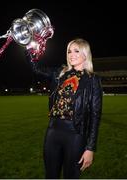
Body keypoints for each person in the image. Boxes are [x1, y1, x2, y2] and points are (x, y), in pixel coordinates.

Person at [26, 38, 103, 179]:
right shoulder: (60, 73)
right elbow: (36, 69)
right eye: (69, 51)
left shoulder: (93, 80)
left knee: (71, 176)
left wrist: (90, 148)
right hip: (53, 131)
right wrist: (29, 49)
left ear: (85, 54)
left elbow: (95, 116)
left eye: (76, 51)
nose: (71, 54)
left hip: (75, 135)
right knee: (50, 176)